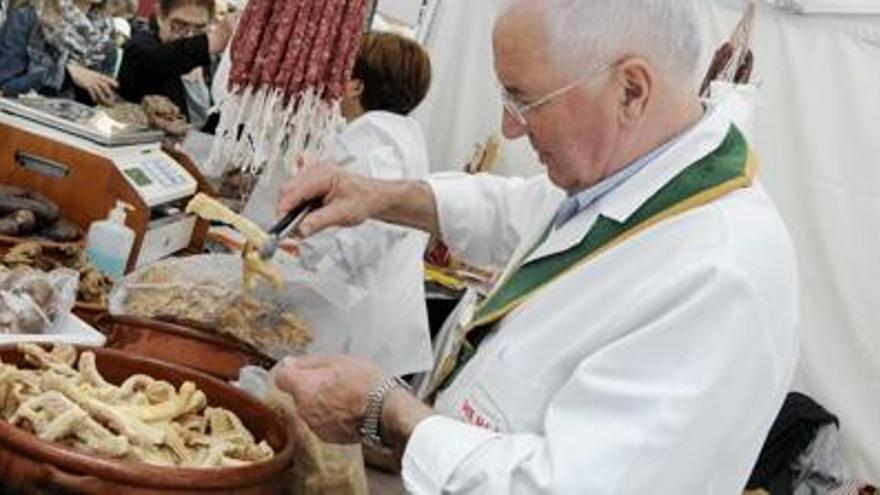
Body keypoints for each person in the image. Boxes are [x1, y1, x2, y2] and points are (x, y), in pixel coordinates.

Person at [273, 0, 800, 493]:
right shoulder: (626, 178)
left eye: (524, 100)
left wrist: (391, 411)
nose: (509, 127)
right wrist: (373, 194)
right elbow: (509, 207)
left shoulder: (721, 273)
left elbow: (566, 485)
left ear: (631, 91)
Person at [241, 31, 435, 378]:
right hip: (368, 327)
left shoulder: (381, 155)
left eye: (342, 73)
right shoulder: (387, 143)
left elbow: (351, 251)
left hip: (363, 334)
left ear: (356, 86)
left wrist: (289, 263)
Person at [116, 0, 234, 129]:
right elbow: (149, 60)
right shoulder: (141, 47)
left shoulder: (210, 65)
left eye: (200, 28)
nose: (190, 36)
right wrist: (211, 41)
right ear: (161, 16)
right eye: (180, 25)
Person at [0, 0, 119, 105]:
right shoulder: (29, 16)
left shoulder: (104, 41)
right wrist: (65, 73)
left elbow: (89, 105)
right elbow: (5, 86)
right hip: (21, 124)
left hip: (68, 127)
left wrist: (105, 96)